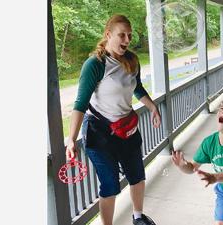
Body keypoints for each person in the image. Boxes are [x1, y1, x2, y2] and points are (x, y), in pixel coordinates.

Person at [65, 14, 160, 225]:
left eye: (129, 35)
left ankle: (138, 217)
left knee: (137, 175)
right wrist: (71, 138)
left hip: (127, 129)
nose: (127, 40)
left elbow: (138, 88)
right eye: (121, 35)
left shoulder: (132, 60)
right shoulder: (95, 64)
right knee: (110, 185)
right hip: (99, 134)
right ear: (108, 35)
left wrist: (152, 107)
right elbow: (80, 103)